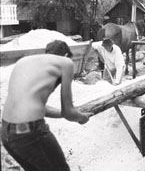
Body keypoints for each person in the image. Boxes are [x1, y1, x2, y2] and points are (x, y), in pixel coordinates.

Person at [1, 40, 94, 171]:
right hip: (29, 133)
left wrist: (65, 114)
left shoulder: (25, 61)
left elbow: (39, 108)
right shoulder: (66, 62)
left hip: (7, 133)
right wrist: (82, 117)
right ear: (66, 55)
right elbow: (68, 112)